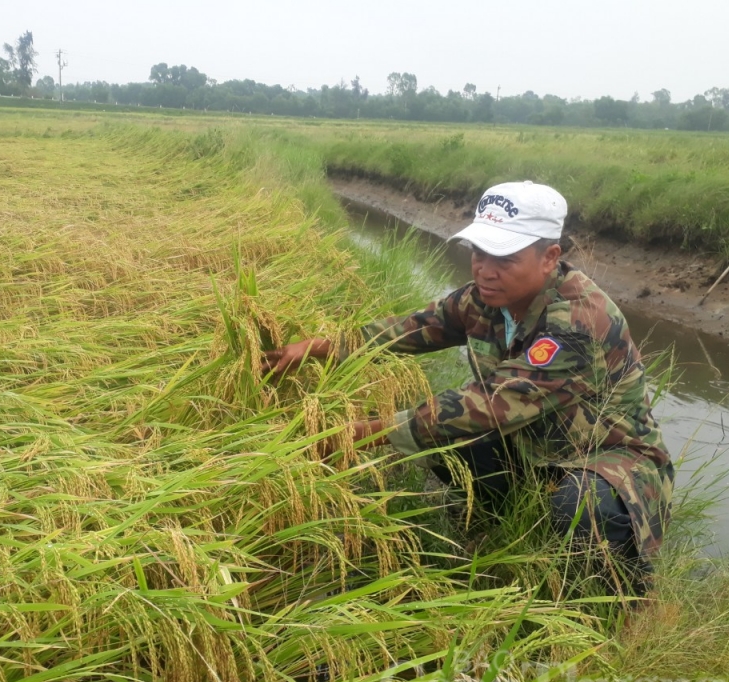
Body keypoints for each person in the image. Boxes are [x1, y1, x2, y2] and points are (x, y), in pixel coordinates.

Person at [263, 181, 673, 596]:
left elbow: (494, 402)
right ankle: (502, 530)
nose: (484, 270)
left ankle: (617, 599)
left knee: (582, 503)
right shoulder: (482, 299)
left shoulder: (579, 322)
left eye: (504, 259)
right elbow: (413, 330)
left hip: (606, 457)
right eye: (479, 253)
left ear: (550, 257)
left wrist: (365, 431)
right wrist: (318, 347)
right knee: (449, 440)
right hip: (532, 447)